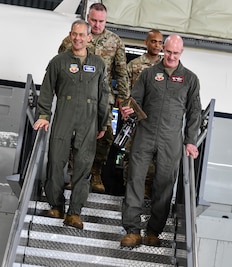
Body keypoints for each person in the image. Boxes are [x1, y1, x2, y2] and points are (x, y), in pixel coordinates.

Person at [120, 34, 202, 248]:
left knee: (164, 185)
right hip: (145, 133)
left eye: (176, 53)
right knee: (135, 179)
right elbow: (135, 99)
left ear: (181, 52)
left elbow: (194, 113)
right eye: (169, 51)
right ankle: (132, 230)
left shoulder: (190, 79)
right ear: (163, 50)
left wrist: (190, 141)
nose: (172, 56)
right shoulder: (148, 74)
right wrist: (129, 108)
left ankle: (154, 231)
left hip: (171, 138)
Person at [33, 19, 109, 230]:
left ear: (89, 37)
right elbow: (47, 90)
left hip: (88, 121)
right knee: (57, 161)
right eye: (74, 34)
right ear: (70, 35)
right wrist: (43, 115)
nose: (77, 38)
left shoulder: (99, 64)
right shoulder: (58, 62)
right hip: (64, 118)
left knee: (83, 167)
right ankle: (56, 205)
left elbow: (104, 96)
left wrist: (103, 124)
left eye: (81, 35)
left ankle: (74, 213)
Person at [59, 3, 130, 193]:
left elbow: (122, 73)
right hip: (77, 97)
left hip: (103, 99)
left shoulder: (115, 42)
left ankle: (96, 173)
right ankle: (76, 176)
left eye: (101, 21)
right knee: (75, 137)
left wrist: (123, 99)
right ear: (87, 18)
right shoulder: (72, 39)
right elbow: (61, 67)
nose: (97, 25)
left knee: (104, 138)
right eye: (93, 20)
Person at [124, 29, 163, 199]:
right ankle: (127, 187)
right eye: (153, 41)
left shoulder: (166, 67)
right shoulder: (134, 65)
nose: (157, 45)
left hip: (155, 121)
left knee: (152, 157)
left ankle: (146, 190)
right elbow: (125, 90)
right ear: (146, 42)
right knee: (131, 152)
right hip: (135, 118)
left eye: (160, 42)